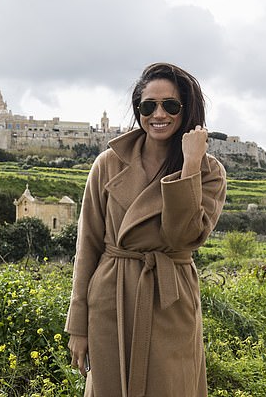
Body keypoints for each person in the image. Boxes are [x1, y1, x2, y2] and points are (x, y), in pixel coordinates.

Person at [65, 62, 227, 396]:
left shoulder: (210, 172)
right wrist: (77, 326)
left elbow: (183, 238)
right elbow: (88, 247)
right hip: (111, 297)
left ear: (187, 110)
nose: (159, 114)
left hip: (170, 299)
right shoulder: (107, 164)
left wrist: (190, 166)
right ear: (138, 109)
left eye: (171, 105)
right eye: (148, 105)